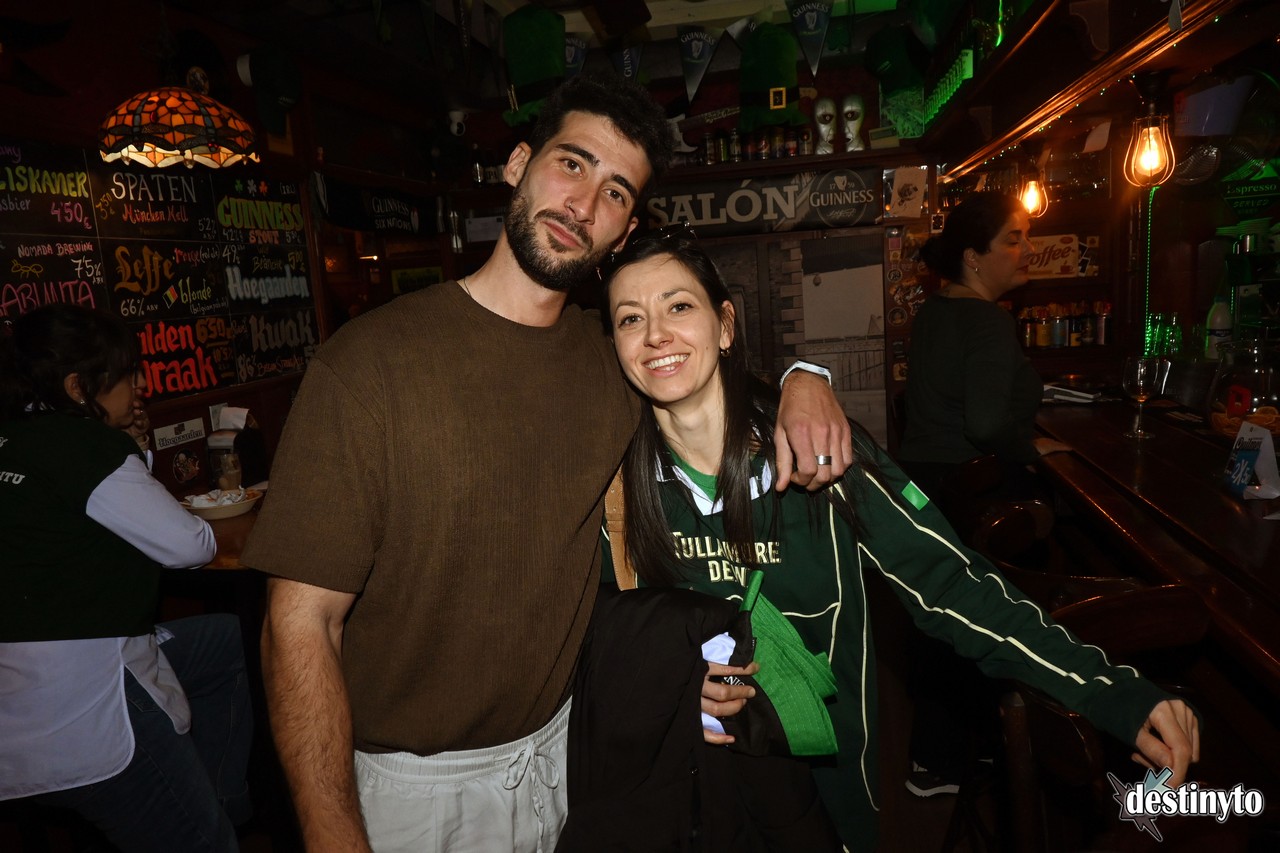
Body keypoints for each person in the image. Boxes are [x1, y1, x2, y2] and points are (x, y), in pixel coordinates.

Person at [244, 73, 851, 853]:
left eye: (616, 192)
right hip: (414, 791)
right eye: (572, 164)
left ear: (624, 232)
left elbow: (704, 372)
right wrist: (332, 833)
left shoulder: (613, 362)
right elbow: (299, 624)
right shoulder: (368, 365)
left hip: (571, 757)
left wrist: (806, 377)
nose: (583, 205)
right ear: (517, 164)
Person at [583, 231, 1199, 850]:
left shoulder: (822, 457)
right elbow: (598, 634)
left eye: (678, 306)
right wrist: (673, 675)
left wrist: (1110, 692)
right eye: (631, 318)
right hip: (692, 797)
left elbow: (951, 585)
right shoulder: (612, 487)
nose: (656, 334)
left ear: (724, 326)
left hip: (826, 796)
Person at [0, 304, 254, 852]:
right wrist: (125, 451)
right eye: (125, 373)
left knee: (231, 640)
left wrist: (131, 450)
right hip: (86, 707)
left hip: (14, 696)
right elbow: (190, 545)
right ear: (77, 387)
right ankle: (208, 820)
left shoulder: (17, 437)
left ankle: (217, 798)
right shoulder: (85, 448)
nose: (140, 385)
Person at [898, 191, 1071, 503]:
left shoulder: (934, 307)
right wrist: (1026, 451)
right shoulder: (988, 320)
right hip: (971, 488)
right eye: (1013, 240)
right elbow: (985, 426)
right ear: (972, 257)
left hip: (920, 486)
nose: (1030, 249)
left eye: (1027, 237)